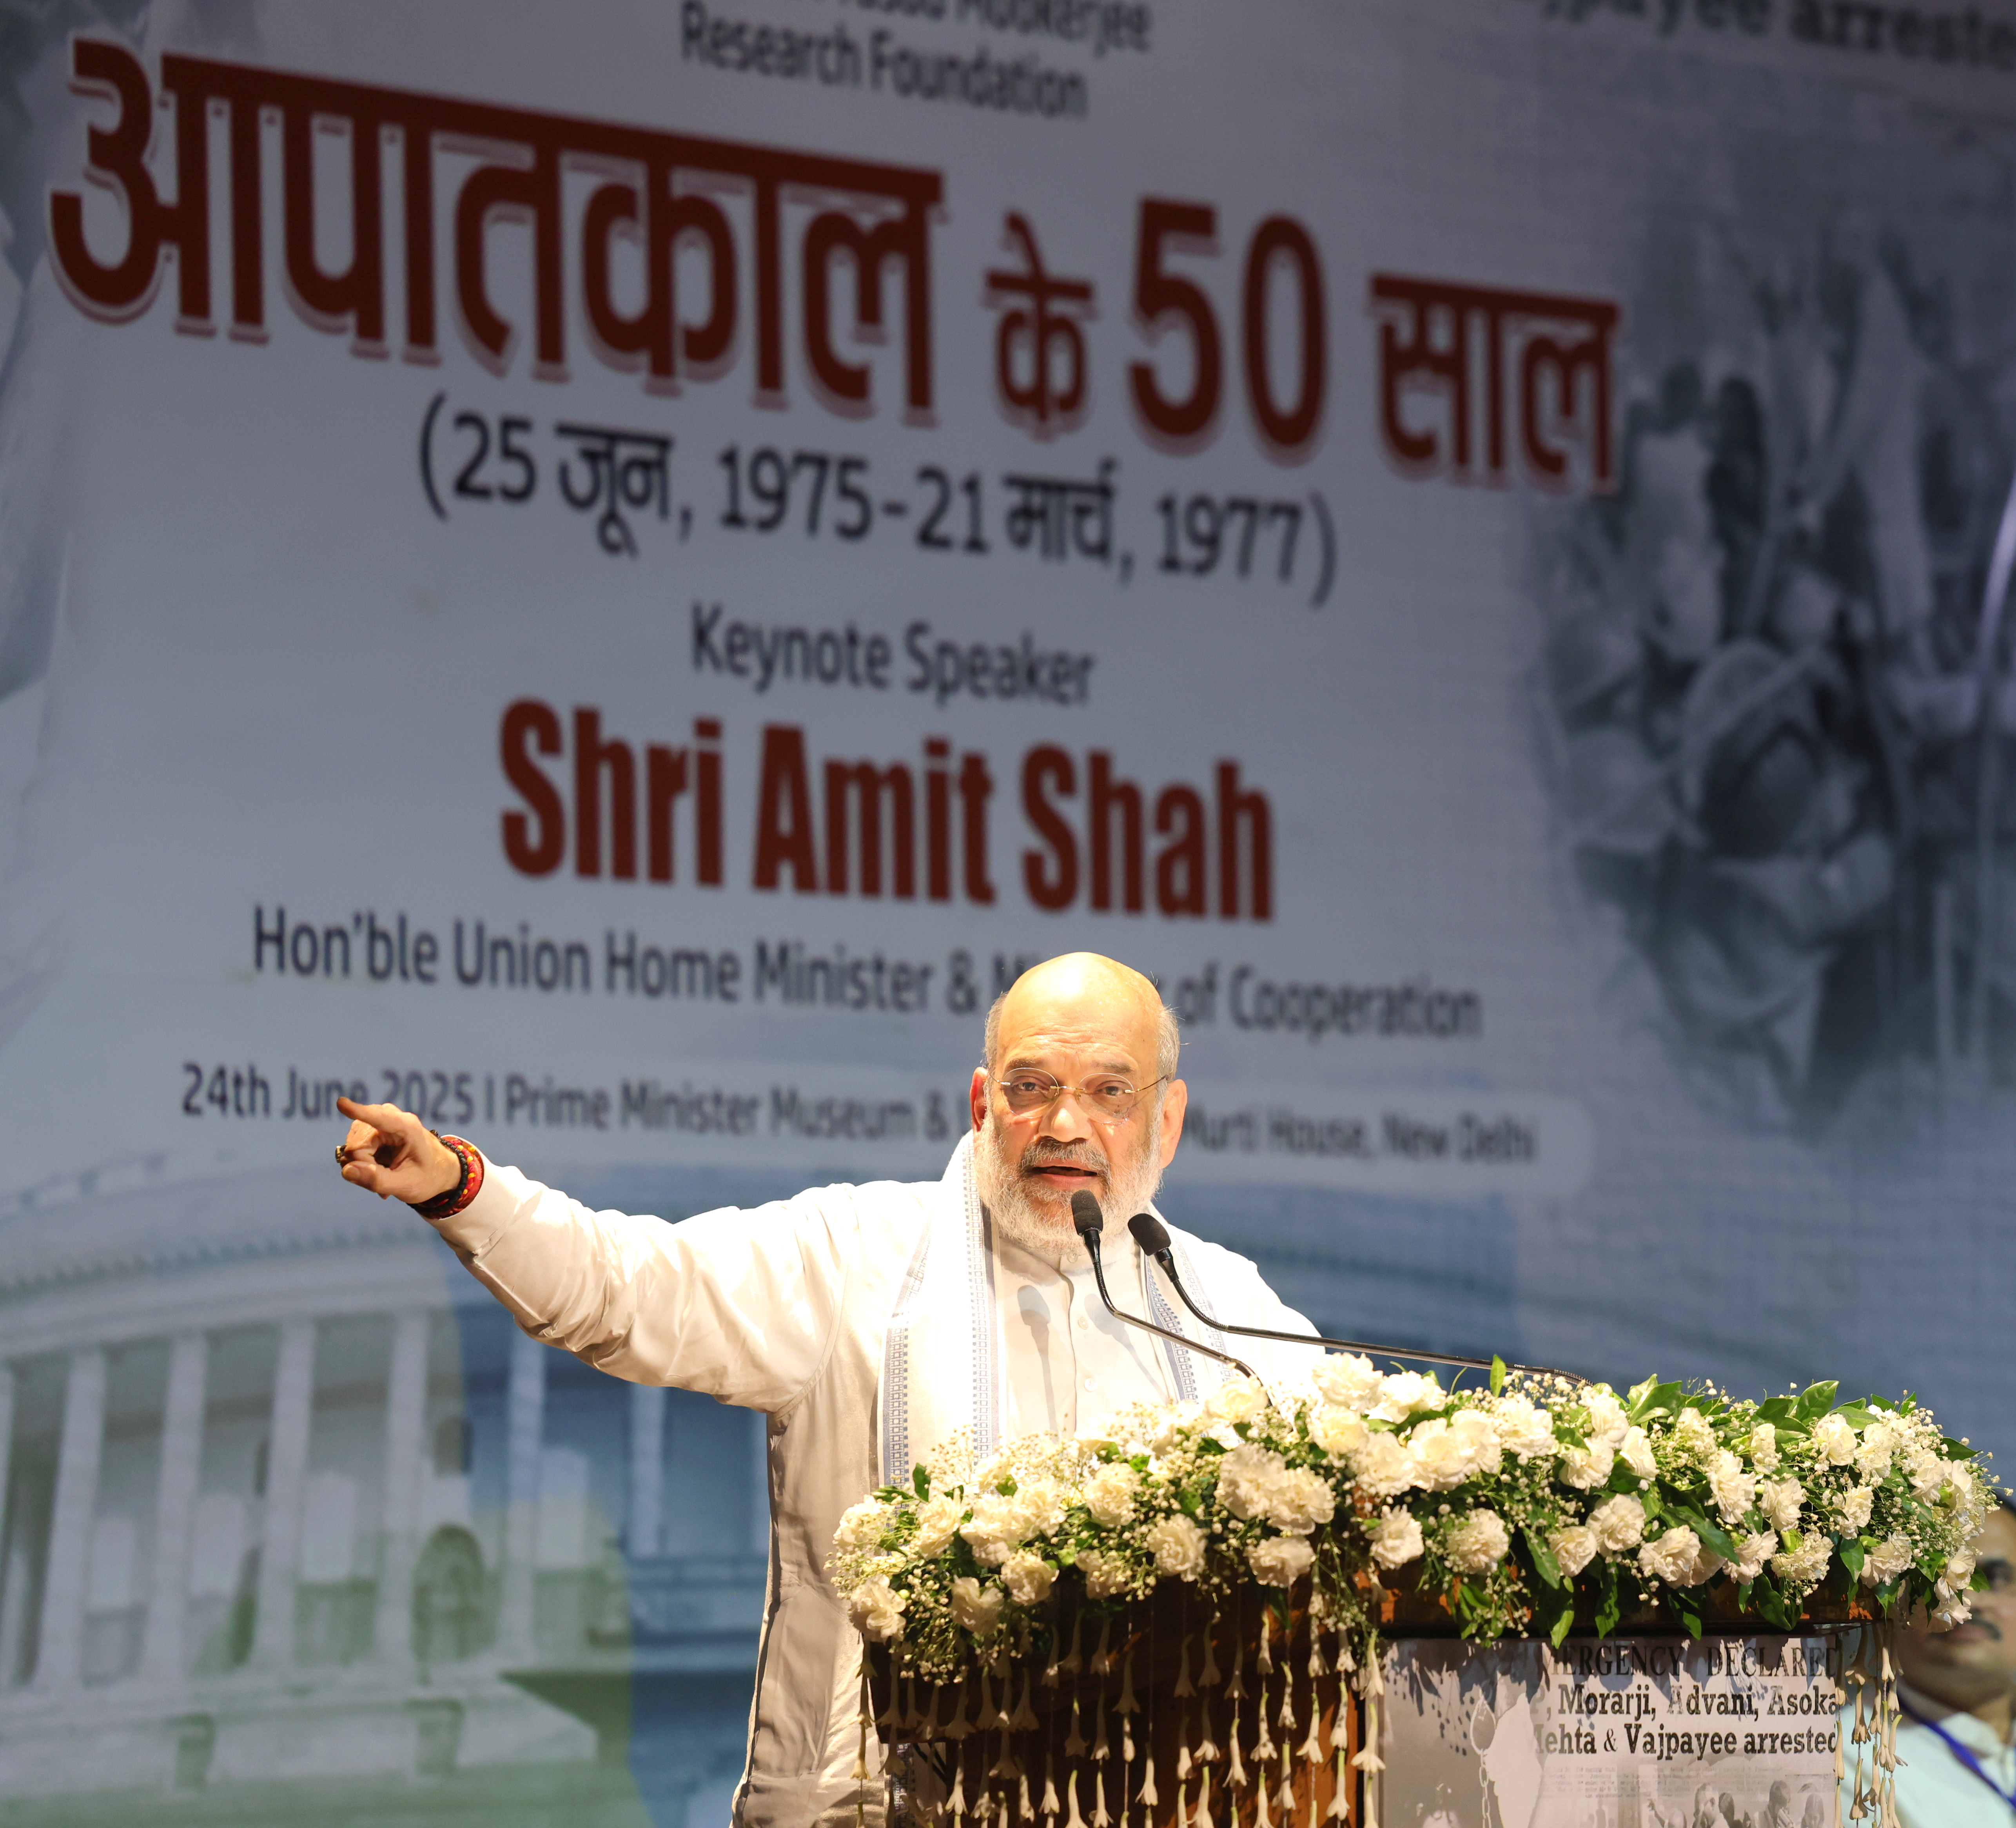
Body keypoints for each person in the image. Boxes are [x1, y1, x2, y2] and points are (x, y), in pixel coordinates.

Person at [333, 952, 1323, 1828]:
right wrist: (462, 1188)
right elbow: (624, 1289)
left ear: (1165, 1120)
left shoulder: (1221, 1306)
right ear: (983, 1107)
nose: (1064, 1123)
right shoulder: (853, 1256)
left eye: (1109, 1090)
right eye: (1032, 1086)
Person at [1839, 1500, 2016, 1826]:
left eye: (1993, 1578)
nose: (1966, 1602)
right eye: (1934, 1579)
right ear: (1888, 1607)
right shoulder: (1849, 1760)